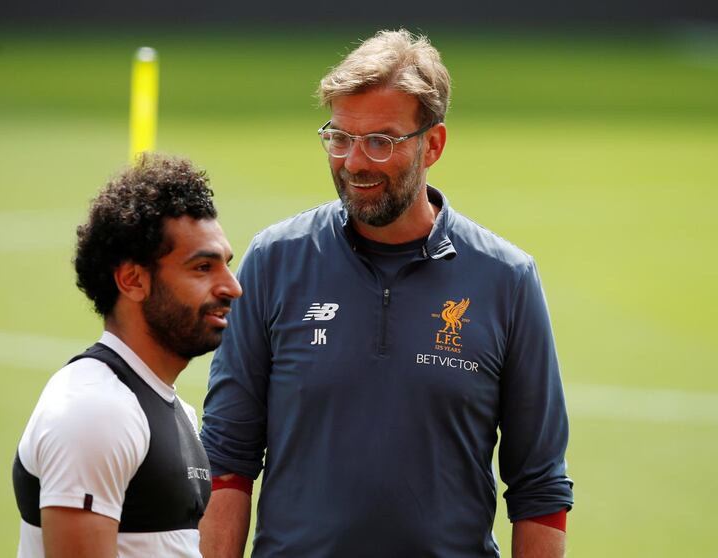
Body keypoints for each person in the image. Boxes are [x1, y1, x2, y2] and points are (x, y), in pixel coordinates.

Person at [199, 29, 574, 558]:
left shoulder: (507, 278)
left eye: (381, 141)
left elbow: (540, 488)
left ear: (434, 144)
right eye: (340, 138)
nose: (354, 162)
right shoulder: (274, 261)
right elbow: (226, 460)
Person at [12, 153, 242, 558]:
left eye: (226, 264)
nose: (232, 287)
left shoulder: (171, 410)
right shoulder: (95, 410)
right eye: (203, 267)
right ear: (133, 280)